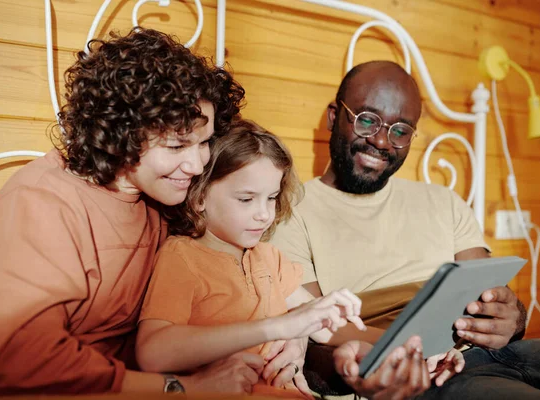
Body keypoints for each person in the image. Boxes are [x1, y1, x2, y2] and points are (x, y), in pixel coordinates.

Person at [0, 28, 264, 396]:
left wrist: (289, 336)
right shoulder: (41, 203)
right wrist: (186, 387)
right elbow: (24, 369)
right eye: (178, 144)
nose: (197, 164)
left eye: (204, 143)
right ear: (122, 132)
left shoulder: (163, 199)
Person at [270, 60, 540, 399]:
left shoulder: (444, 202)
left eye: (400, 130)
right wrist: (365, 366)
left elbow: (490, 294)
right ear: (335, 117)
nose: (381, 141)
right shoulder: (287, 209)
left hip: (499, 354)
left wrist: (513, 319)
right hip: (424, 376)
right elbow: (313, 336)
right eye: (367, 120)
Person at [135, 119, 368, 399]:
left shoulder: (269, 258)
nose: (264, 214)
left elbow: (326, 328)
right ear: (199, 197)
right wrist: (279, 327)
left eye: (271, 197)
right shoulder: (182, 257)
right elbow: (153, 354)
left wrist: (411, 346)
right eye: (246, 199)